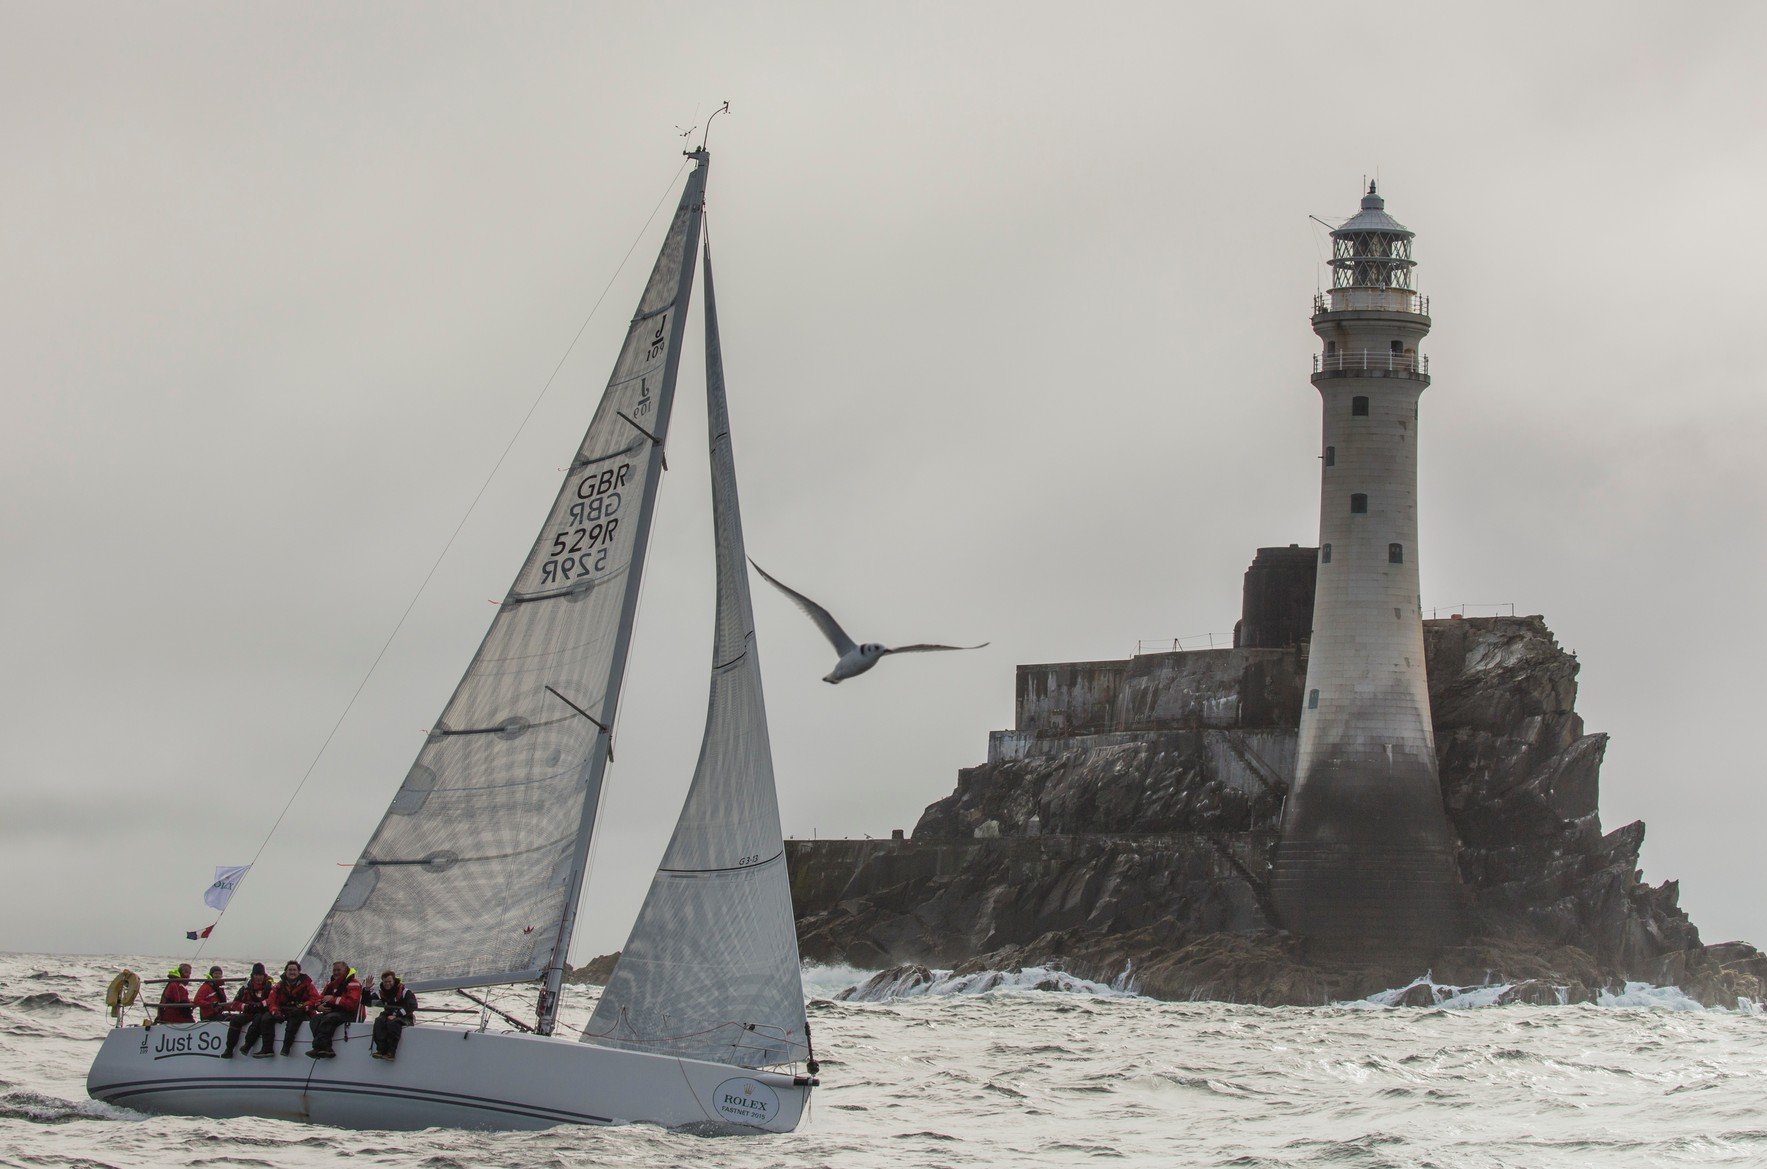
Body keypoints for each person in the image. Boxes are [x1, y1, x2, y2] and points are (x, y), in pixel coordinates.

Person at [306, 961, 363, 1059]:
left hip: (348, 1013)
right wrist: (318, 1007)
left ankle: (320, 1048)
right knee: (315, 1019)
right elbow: (320, 998)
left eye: (338, 970)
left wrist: (332, 999)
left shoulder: (354, 983)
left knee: (329, 1018)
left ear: (345, 970)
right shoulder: (331, 984)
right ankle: (324, 1048)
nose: (336, 972)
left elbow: (351, 1004)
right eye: (334, 970)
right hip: (333, 1012)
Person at [264, 960, 320, 1057]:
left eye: (294, 970)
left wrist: (302, 1007)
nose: (292, 972)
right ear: (286, 972)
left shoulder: (307, 984)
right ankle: (267, 1049)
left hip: (302, 1013)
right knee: (266, 1018)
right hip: (285, 1011)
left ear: (299, 972)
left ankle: (286, 1048)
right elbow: (272, 1001)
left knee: (294, 1019)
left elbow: (315, 999)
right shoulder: (279, 985)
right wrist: (275, 1012)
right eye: (290, 970)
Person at [366, 970, 417, 1061]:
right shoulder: (381, 993)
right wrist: (366, 990)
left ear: (394, 981)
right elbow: (367, 1002)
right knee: (379, 1021)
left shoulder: (405, 992)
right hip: (389, 1016)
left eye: (390, 981)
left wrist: (397, 1015)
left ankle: (391, 1053)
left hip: (405, 1018)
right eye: (385, 982)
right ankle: (381, 1050)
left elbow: (413, 1005)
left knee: (392, 1023)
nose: (387, 984)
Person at [228, 963, 274, 1059]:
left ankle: (247, 1045)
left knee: (259, 1019)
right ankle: (229, 1048)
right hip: (249, 1012)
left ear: (264, 975)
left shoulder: (269, 987)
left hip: (262, 1012)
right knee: (235, 1020)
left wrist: (261, 1005)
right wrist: (246, 1007)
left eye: (261, 975)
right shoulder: (246, 988)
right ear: (252, 975)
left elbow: (273, 999)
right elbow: (235, 1003)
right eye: (256, 975)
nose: (259, 977)